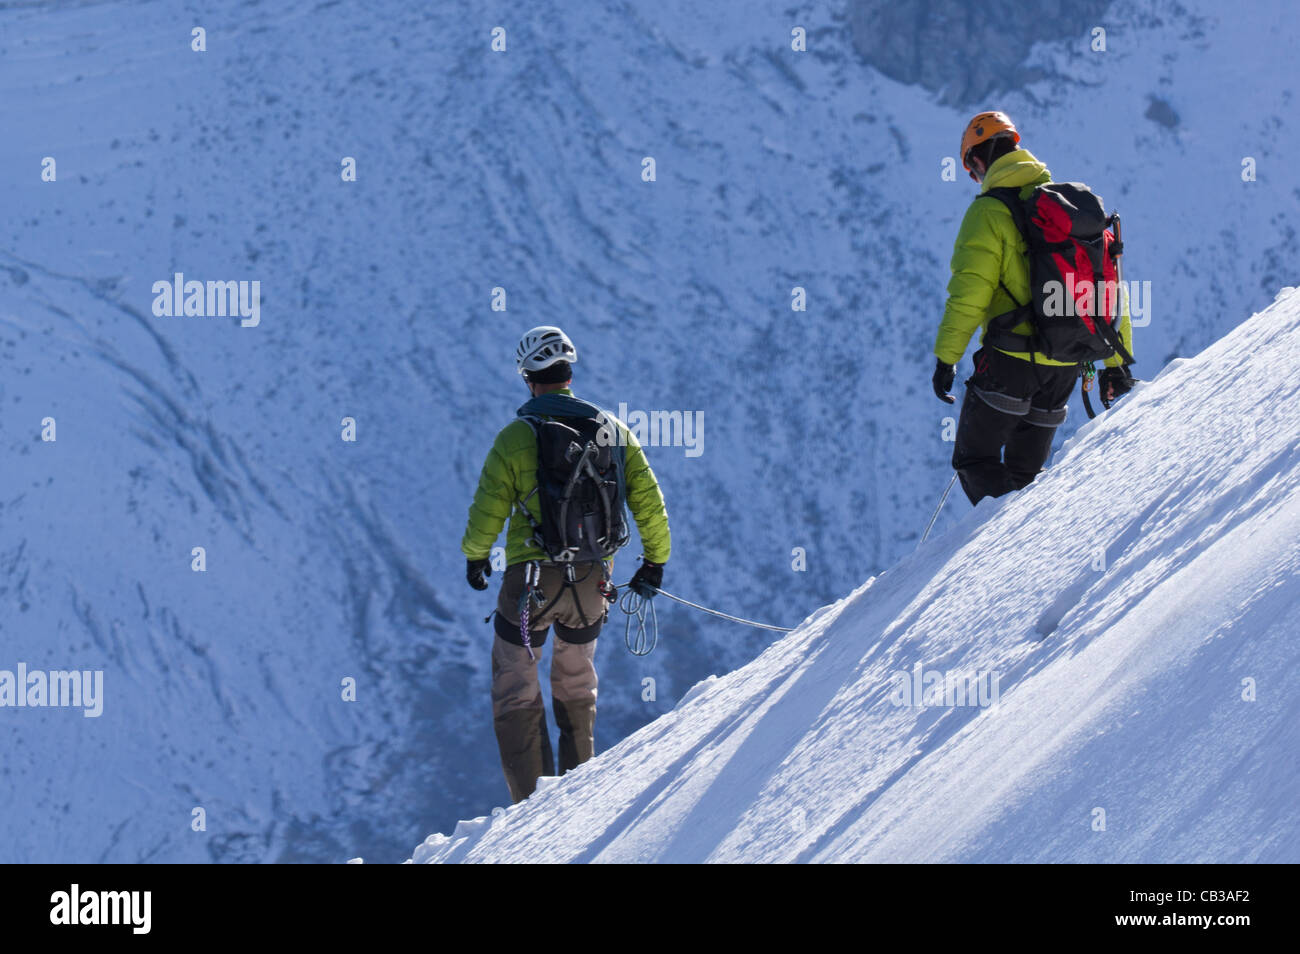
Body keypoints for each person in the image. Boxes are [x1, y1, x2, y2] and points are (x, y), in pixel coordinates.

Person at [461, 326, 671, 803]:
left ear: (528, 380)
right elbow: (649, 505)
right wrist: (654, 563)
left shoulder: (517, 437)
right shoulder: (614, 431)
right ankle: (576, 798)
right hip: (593, 581)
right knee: (577, 680)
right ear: (569, 375)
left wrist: (476, 556)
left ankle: (532, 804)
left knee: (515, 681)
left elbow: (488, 507)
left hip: (532, 583)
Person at [933, 111, 1136, 504]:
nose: (975, 180)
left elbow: (969, 294)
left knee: (975, 461)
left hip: (1010, 362)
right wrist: (1117, 366)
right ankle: (1034, 555)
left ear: (978, 161)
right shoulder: (1067, 211)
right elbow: (1108, 287)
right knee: (1026, 476)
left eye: (972, 171)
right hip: (1065, 365)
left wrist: (946, 358)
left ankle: (1012, 558)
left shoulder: (987, 213)